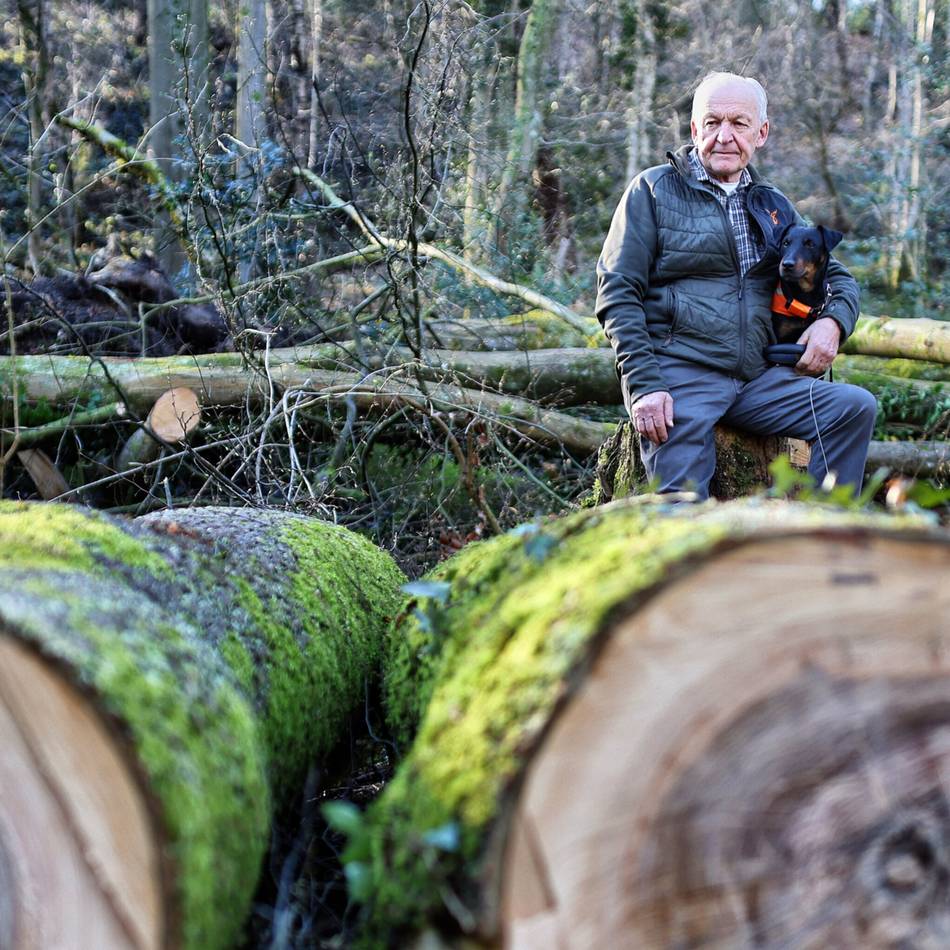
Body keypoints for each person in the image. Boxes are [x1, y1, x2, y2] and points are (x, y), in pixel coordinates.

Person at [595, 71, 876, 499]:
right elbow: (616, 292)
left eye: (739, 124)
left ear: (760, 133)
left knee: (853, 408)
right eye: (712, 122)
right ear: (694, 129)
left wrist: (833, 323)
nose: (724, 136)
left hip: (760, 378)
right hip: (682, 375)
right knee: (680, 509)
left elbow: (836, 276)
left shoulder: (773, 204)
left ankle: (821, 538)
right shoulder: (653, 191)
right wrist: (645, 386)